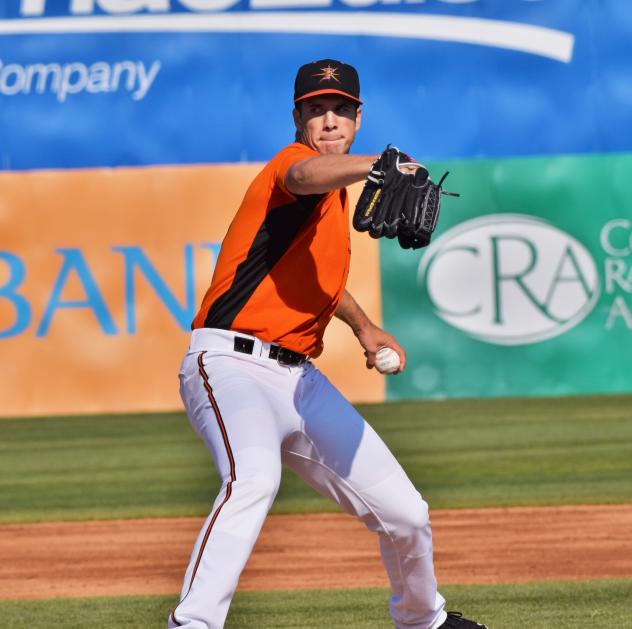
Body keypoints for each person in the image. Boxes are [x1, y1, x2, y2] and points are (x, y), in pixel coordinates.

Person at [169, 59, 487, 629]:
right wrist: (380, 166)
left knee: (406, 513)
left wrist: (365, 328)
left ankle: (424, 620)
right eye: (316, 110)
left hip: (298, 379)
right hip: (229, 364)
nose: (330, 119)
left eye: (340, 109)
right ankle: (192, 624)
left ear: (358, 116)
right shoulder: (293, 168)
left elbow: (319, 285)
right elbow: (307, 175)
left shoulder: (334, 201)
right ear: (298, 118)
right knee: (254, 479)